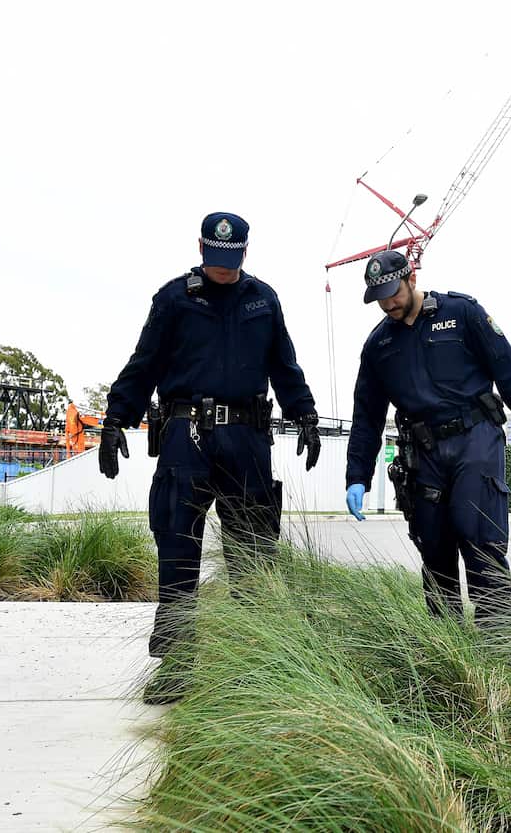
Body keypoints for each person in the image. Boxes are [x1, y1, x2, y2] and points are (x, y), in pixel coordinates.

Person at [99, 211, 321, 704]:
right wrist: (116, 419)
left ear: (245, 252)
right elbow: (144, 363)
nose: (224, 268)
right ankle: (176, 667)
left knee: (253, 553)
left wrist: (304, 413)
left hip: (247, 438)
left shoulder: (264, 300)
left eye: (233, 259)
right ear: (201, 249)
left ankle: (250, 664)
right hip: (186, 434)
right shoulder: (174, 298)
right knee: (178, 550)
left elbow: (284, 365)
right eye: (216, 259)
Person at [344, 249, 511, 626]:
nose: (388, 303)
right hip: (422, 452)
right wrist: (357, 476)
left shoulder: (462, 314)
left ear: (411, 279)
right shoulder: (378, 346)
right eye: (379, 298)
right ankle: (448, 648)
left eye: (393, 292)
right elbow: (367, 417)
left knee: (478, 536)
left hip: (475, 438)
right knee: (434, 547)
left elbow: (510, 373)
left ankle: (501, 642)